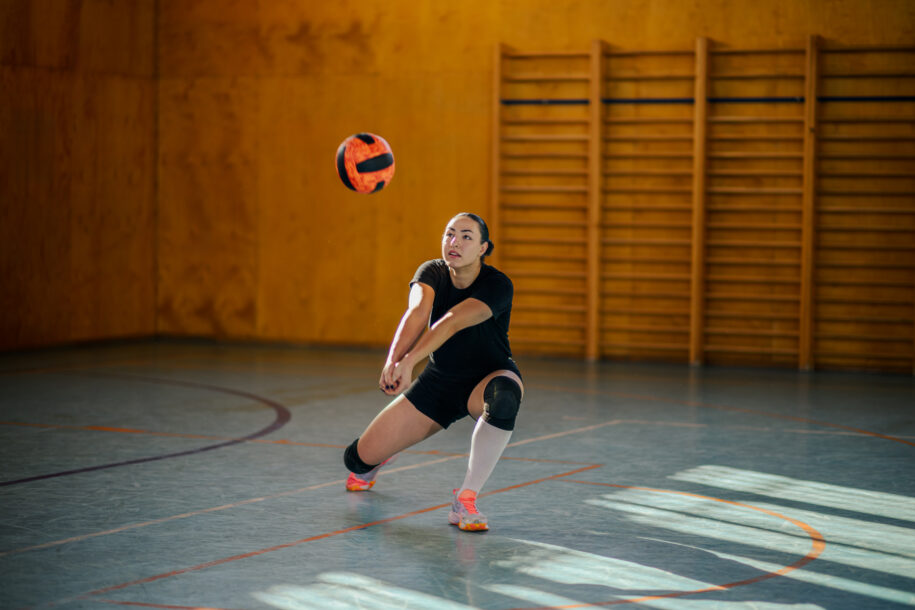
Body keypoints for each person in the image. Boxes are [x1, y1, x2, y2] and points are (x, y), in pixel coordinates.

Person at [342, 212, 524, 532]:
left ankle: (466, 499)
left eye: (467, 236)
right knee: (356, 460)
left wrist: (410, 362)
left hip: (487, 376)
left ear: (483, 248)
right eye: (449, 234)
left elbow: (451, 321)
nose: (455, 242)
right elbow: (417, 312)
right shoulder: (432, 272)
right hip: (439, 385)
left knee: (505, 399)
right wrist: (393, 361)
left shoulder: (498, 285)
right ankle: (377, 460)